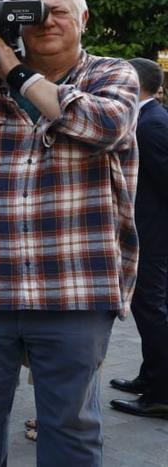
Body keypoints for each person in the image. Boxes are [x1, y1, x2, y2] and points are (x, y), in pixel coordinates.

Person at [0, 0, 139, 466]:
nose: (45, 21)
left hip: (75, 289)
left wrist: (18, 73)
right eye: (32, 10)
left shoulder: (112, 74)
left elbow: (105, 126)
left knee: (70, 427)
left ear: (83, 20)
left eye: (59, 11)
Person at [109, 58, 168, 419]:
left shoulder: (150, 125)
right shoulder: (146, 119)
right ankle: (150, 378)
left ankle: (161, 394)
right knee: (149, 312)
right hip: (150, 232)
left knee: (152, 312)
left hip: (153, 235)